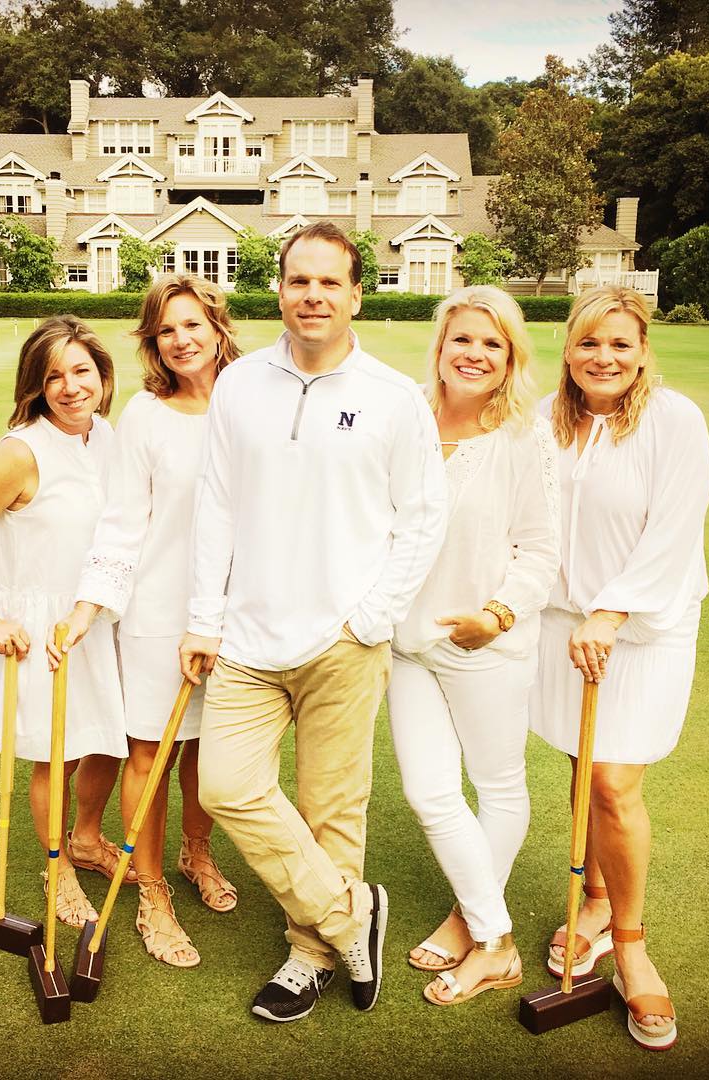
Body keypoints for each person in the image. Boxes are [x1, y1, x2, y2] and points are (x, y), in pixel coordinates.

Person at [179, 221, 448, 1022]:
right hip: (248, 640)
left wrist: (369, 619)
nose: (313, 296)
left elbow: (423, 518)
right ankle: (350, 913)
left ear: (356, 293)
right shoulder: (239, 385)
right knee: (228, 786)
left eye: (330, 283)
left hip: (344, 641)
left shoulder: (394, 398)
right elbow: (217, 505)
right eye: (299, 281)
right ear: (280, 290)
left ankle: (308, 955)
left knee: (333, 808)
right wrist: (205, 618)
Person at [530, 285, 709, 1051]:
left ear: (642, 351)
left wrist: (613, 611)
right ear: (568, 349)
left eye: (620, 345)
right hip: (561, 627)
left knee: (613, 782)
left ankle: (631, 945)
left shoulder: (676, 421)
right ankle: (595, 902)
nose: (602, 358)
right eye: (588, 344)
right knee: (581, 765)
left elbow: (672, 531)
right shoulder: (546, 417)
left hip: (642, 628)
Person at [48, 274, 241, 969]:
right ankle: (152, 894)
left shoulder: (254, 401)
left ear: (218, 328)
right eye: (167, 330)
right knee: (149, 758)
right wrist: (86, 606)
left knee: (208, 756)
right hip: (160, 614)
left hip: (239, 615)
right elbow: (123, 526)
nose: (182, 340)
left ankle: (196, 853)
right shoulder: (147, 416)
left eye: (193, 324)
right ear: (153, 343)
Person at [387, 286, 560, 1006]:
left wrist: (496, 615)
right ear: (441, 344)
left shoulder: (525, 436)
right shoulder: (405, 417)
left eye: (492, 343)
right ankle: (495, 934)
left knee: (496, 787)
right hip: (406, 645)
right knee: (429, 794)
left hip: (486, 644)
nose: (475, 354)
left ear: (511, 355)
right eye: (463, 339)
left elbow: (542, 548)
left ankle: (477, 930)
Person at [0, 316, 128, 928]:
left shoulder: (106, 435)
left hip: (97, 614)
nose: (71, 387)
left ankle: (84, 836)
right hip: (41, 627)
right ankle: (58, 866)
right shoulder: (20, 451)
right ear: (36, 386)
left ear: (102, 376)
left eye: (81, 371)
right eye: (54, 377)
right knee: (58, 755)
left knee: (108, 743)